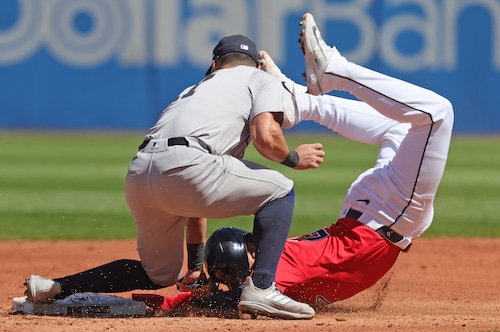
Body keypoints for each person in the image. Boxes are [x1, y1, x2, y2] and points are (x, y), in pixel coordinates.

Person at [147, 12, 455, 313]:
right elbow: (233, 297)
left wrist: (199, 281)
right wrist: (192, 295)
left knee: (419, 120)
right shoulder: (269, 278)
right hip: (381, 218)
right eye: (251, 248)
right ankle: (325, 80)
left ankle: (299, 98)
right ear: (242, 265)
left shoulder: (271, 266)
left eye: (252, 244)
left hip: (375, 219)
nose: (256, 244)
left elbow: (220, 285)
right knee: (433, 116)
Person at [24, 33, 326, 320]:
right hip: (190, 165)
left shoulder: (194, 90)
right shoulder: (259, 78)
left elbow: (195, 195)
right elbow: (265, 135)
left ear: (214, 64)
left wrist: (194, 267)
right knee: (281, 189)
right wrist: (295, 159)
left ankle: (54, 286)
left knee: (159, 274)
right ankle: (262, 288)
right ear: (258, 65)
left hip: (141, 172)